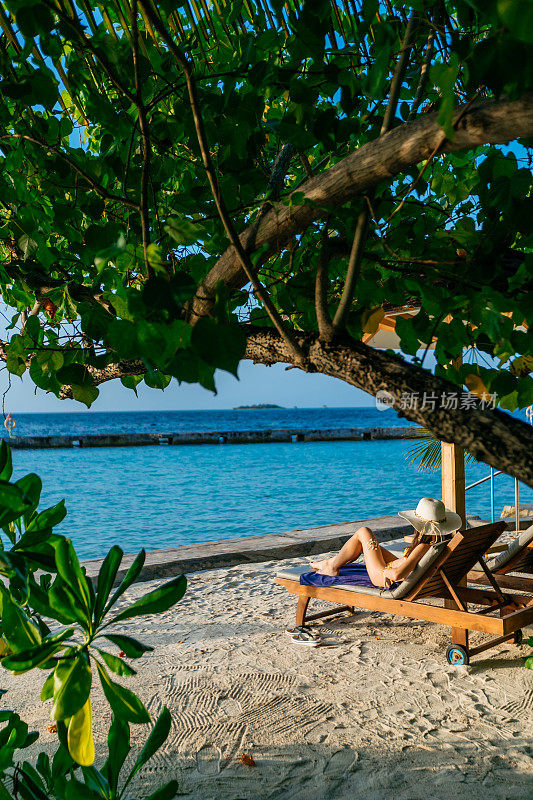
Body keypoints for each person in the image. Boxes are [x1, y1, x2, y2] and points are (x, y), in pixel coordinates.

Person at [307, 497, 462, 590]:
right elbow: (409, 565)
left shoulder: (423, 547)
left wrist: (387, 572)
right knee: (364, 541)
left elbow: (397, 574)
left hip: (383, 576)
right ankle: (329, 563)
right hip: (396, 566)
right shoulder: (441, 542)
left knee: (363, 531)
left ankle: (331, 567)